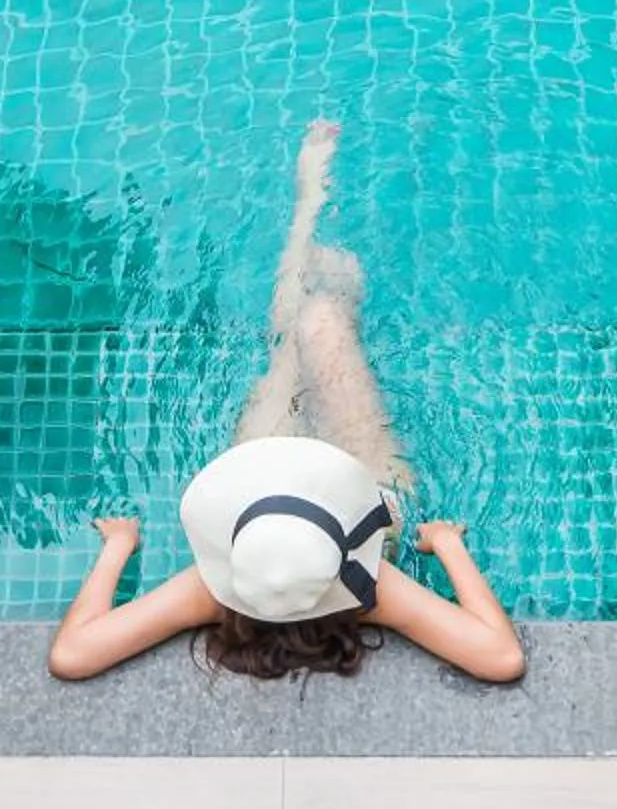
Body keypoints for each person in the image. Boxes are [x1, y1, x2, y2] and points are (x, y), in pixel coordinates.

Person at [47, 120, 526, 685]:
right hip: (366, 491)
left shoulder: (210, 593)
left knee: (288, 355)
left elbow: (72, 656)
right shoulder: (367, 585)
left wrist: (119, 548)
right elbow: (502, 657)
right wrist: (446, 546)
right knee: (322, 323)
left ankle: (306, 215)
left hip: (273, 499)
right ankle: (317, 229)